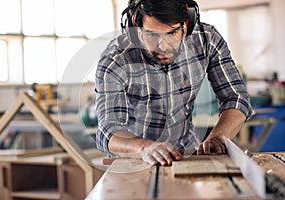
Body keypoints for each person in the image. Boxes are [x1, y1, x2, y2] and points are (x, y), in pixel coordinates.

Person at [94, 0, 253, 166]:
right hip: (134, 159)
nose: (163, 47)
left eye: (171, 33)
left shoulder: (207, 40)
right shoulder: (115, 59)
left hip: (186, 153)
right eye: (152, 35)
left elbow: (236, 97)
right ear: (136, 31)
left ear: (186, 25)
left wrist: (218, 138)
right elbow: (107, 131)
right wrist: (144, 148)